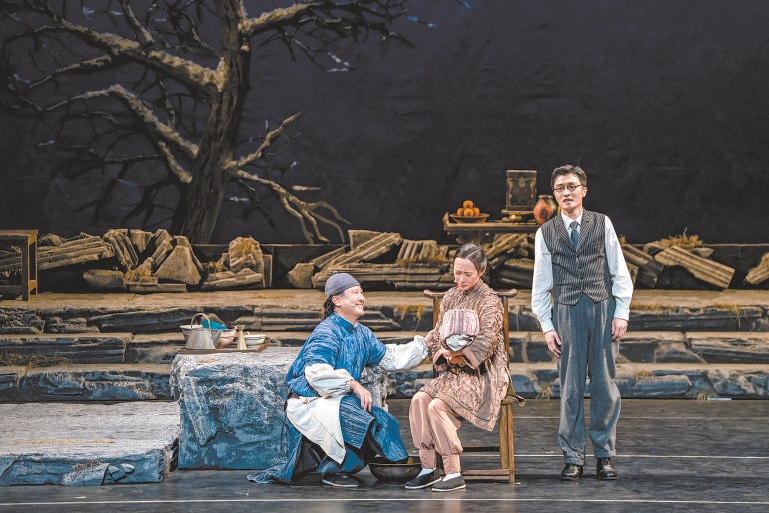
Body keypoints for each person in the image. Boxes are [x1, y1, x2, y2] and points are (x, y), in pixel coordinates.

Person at [247, 272, 427, 488]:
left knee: (383, 419)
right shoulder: (327, 332)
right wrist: (353, 384)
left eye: (362, 293)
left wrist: (425, 345)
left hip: (338, 400)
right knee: (359, 418)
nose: (361, 298)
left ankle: (398, 464)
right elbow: (316, 372)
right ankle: (332, 471)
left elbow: (390, 357)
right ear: (337, 300)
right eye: (355, 293)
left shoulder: (363, 334)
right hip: (310, 401)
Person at [531, 164, 633, 481]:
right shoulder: (546, 232)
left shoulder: (602, 223)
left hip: (601, 308)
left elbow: (619, 270)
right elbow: (540, 284)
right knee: (571, 388)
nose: (566, 192)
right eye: (560, 188)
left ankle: (604, 455)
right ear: (554, 194)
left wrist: (621, 311)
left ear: (583, 191)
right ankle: (573, 457)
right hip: (566, 312)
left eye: (572, 186)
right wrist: (547, 326)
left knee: (604, 385)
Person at [406, 243, 509, 492]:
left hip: (484, 373)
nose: (460, 279)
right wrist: (441, 349)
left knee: (437, 406)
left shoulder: (490, 301)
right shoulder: (451, 297)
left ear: (481, 271)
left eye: (467, 274)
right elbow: (438, 334)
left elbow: (486, 342)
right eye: (457, 273)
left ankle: (453, 471)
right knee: (419, 400)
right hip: (454, 372)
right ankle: (428, 468)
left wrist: (456, 354)